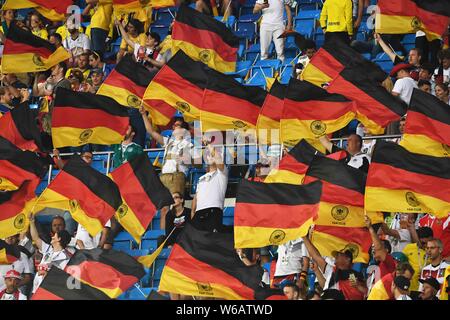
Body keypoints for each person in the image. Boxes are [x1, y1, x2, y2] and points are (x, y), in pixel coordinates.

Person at [141, 109, 192, 194]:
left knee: (175, 203)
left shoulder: (188, 144)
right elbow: (151, 131)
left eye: (177, 125)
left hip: (177, 178)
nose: (174, 127)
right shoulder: (168, 142)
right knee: (164, 206)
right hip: (164, 177)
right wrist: (143, 114)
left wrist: (184, 158)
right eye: (174, 125)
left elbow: (195, 163)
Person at [302, 234, 367, 300]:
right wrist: (304, 237)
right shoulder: (332, 271)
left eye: (339, 254)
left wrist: (358, 286)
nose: (336, 256)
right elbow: (316, 256)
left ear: (348, 259)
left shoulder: (352, 275)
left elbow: (366, 292)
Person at [29, 213, 75, 293]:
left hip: (49, 291)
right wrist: (32, 222)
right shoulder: (48, 249)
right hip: (36, 288)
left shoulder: (66, 258)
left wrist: (47, 274)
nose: (52, 237)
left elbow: (63, 278)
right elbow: (35, 238)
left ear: (59, 239)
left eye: (55, 236)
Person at [191, 142, 227, 232]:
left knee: (212, 241)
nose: (210, 156)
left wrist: (208, 143)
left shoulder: (222, 173)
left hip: (213, 211)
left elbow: (218, 159)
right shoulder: (200, 179)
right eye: (208, 155)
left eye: (212, 154)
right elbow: (194, 203)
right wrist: (193, 218)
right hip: (199, 213)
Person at [402, 226, 434, 293]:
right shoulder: (409, 248)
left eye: (429, 242)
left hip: (424, 290)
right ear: (418, 239)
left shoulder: (433, 252)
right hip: (408, 288)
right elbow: (401, 265)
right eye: (423, 243)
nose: (426, 246)